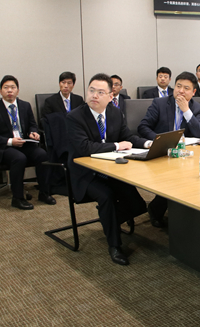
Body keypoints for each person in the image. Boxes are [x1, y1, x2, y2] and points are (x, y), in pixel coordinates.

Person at [66, 73, 148, 266]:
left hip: (111, 171)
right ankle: (114, 245)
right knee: (107, 197)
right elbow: (84, 147)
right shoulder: (75, 117)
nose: (94, 95)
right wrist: (117, 146)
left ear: (111, 96)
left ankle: (108, 219)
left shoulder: (114, 113)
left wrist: (147, 143)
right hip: (85, 173)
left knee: (138, 204)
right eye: (91, 90)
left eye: (100, 92)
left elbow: (128, 137)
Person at [138, 72, 200, 227]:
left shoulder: (196, 107)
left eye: (186, 88)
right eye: (178, 86)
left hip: (184, 155)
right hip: (162, 153)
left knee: (196, 176)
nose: (181, 91)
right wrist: (161, 141)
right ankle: (156, 209)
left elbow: (199, 132)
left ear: (193, 92)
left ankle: (187, 214)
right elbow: (143, 127)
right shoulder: (160, 103)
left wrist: (186, 111)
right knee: (176, 178)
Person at [0, 75, 54, 210]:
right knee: (19, 158)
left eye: (13, 87)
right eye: (6, 88)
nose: (10, 90)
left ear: (18, 90)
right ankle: (18, 198)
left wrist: (33, 132)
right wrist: (10, 141)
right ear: (0, 91)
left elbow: (32, 124)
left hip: (24, 143)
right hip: (4, 147)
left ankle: (44, 193)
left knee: (42, 155)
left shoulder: (25, 106)